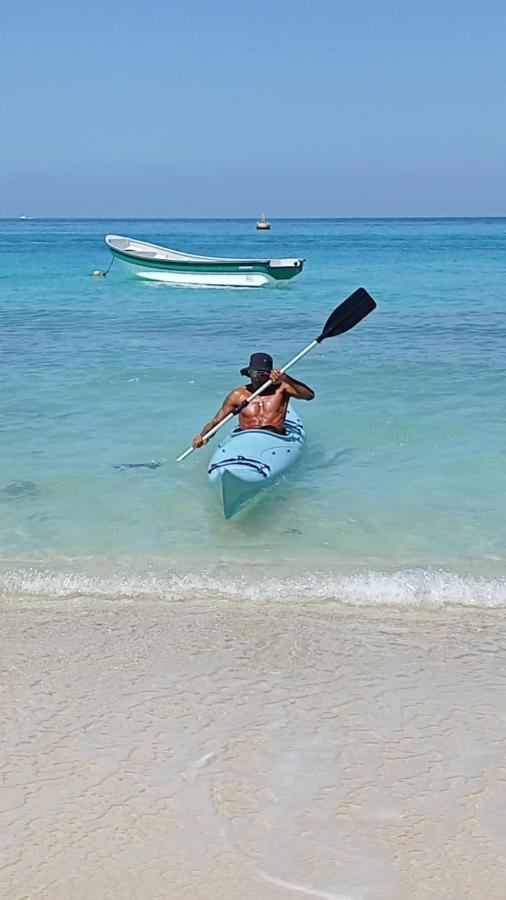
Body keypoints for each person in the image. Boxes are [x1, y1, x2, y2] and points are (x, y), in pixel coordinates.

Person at [192, 352, 315, 449]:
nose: (256, 378)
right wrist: (203, 436)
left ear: (269, 374)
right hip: (245, 437)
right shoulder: (238, 394)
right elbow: (215, 422)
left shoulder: (282, 389)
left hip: (275, 437)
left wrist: (285, 378)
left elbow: (309, 396)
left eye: (261, 374)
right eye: (253, 374)